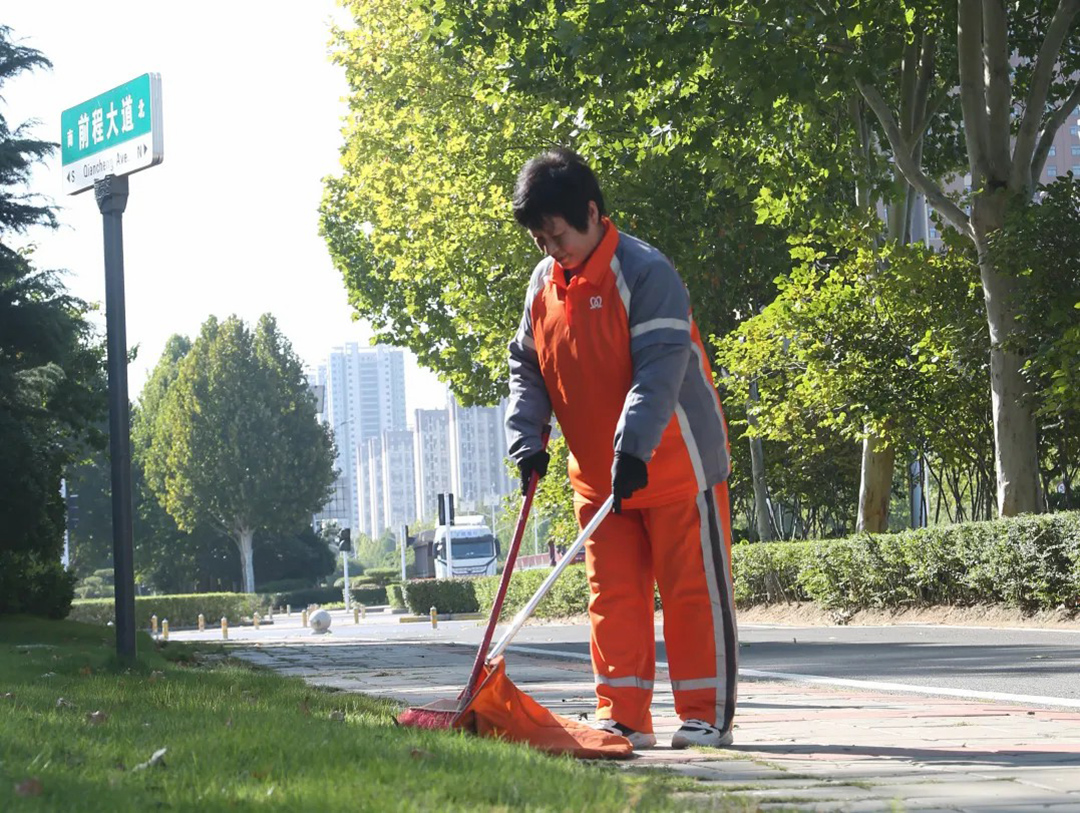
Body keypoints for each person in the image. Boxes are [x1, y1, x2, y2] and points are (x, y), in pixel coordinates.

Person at [504, 147, 738, 750]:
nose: (550, 250)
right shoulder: (542, 285)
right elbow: (527, 368)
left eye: (556, 234)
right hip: (598, 479)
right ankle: (624, 715)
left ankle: (705, 715)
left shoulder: (645, 271)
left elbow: (659, 370)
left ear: (591, 212)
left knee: (692, 592)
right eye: (539, 240)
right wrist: (526, 438)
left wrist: (633, 449)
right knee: (614, 599)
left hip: (675, 462)